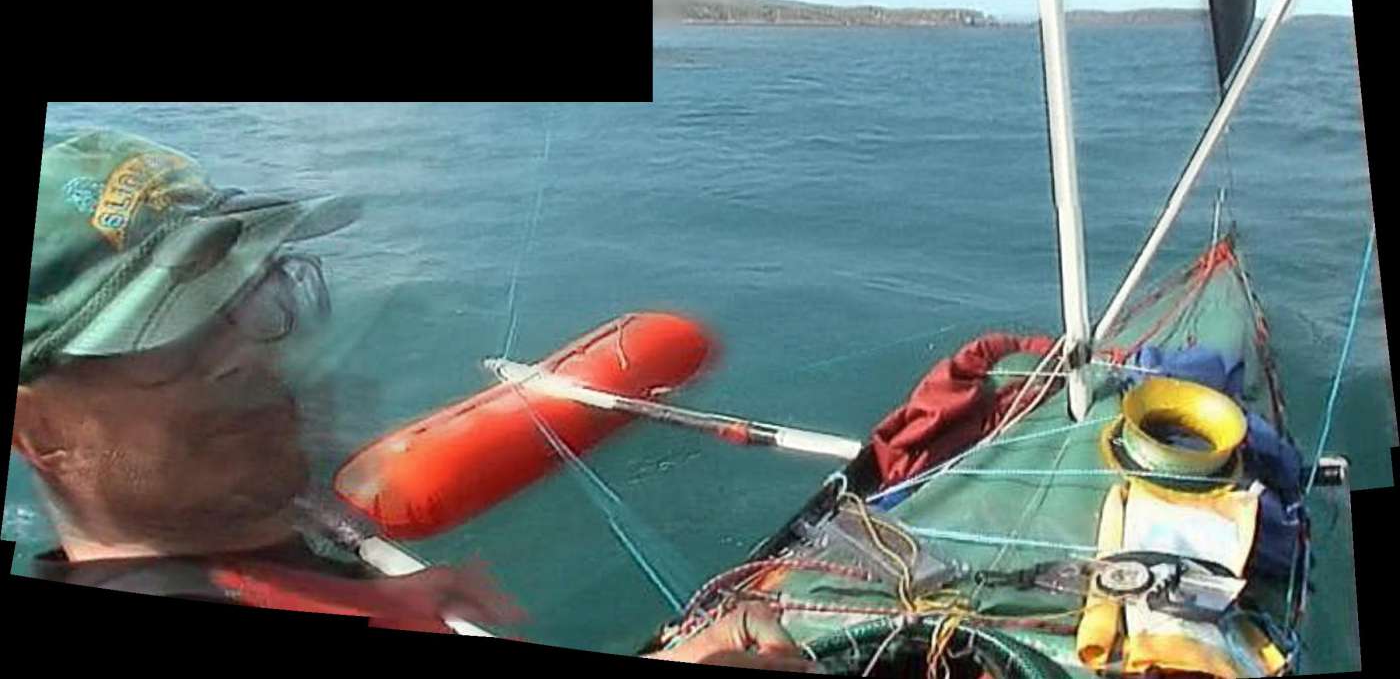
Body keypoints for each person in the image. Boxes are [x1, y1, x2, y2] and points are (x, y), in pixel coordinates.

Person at [14, 129, 820, 671]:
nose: (249, 354)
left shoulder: (233, 539)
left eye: (252, 295)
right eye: (170, 338)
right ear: (37, 429)